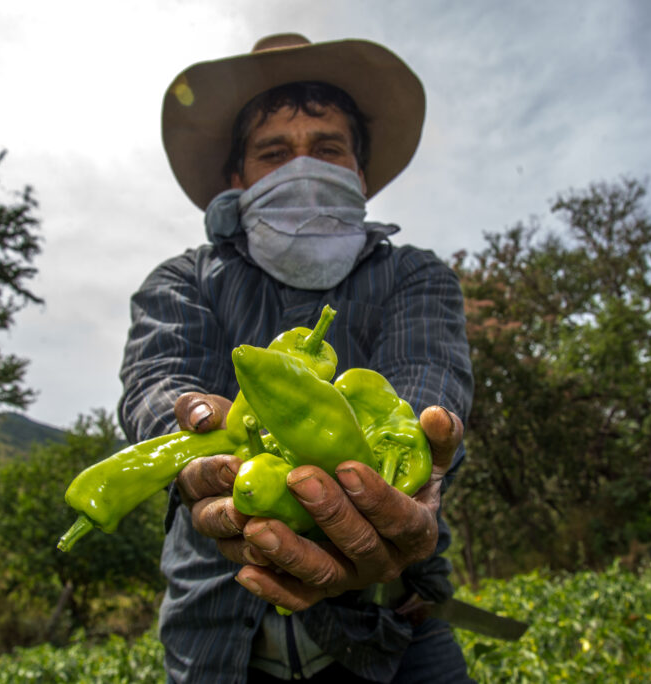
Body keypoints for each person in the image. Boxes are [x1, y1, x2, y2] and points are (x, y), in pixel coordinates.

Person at [118, 33, 474, 683]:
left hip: (400, 630)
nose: (301, 167)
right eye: (274, 153)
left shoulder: (414, 277)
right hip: (216, 640)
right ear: (238, 178)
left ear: (358, 174)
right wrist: (190, 425)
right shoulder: (183, 281)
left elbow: (428, 382)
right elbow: (157, 380)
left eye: (328, 149)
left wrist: (411, 464)